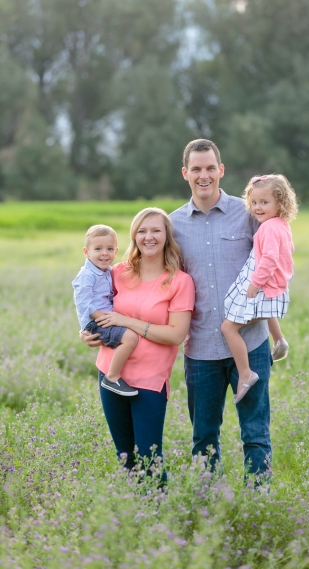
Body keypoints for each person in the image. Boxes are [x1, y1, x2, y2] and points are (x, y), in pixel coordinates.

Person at [169, 139, 273, 481]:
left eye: (210, 168)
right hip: (200, 349)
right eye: (196, 169)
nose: (204, 175)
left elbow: (275, 266)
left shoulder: (250, 214)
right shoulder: (172, 225)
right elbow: (157, 281)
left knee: (256, 434)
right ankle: (208, 501)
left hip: (251, 342)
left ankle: (259, 502)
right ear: (185, 173)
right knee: (203, 438)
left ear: (221, 170)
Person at [86, 208, 195, 482]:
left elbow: (176, 335)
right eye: (142, 231)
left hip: (149, 380)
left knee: (149, 457)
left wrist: (128, 322)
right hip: (111, 373)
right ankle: (136, 508)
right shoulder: (117, 272)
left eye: (156, 230)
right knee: (125, 456)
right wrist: (86, 334)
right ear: (134, 236)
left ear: (167, 235)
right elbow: (93, 305)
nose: (149, 237)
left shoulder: (180, 282)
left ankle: (157, 507)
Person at [221, 174, 297, 405]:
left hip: (263, 283)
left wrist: (255, 282)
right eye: (254, 202)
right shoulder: (282, 225)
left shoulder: (268, 228)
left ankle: (245, 373)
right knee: (263, 311)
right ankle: (279, 340)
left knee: (228, 327)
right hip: (274, 286)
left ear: (280, 203)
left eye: (264, 202)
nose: (257, 207)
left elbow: (270, 258)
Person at [73, 224, 139, 396]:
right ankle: (112, 376)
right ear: (86, 252)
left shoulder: (108, 271)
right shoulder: (87, 275)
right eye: (98, 249)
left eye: (109, 249)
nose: (104, 253)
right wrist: (104, 318)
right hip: (96, 321)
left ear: (116, 251)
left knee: (130, 333)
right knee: (130, 338)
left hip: (103, 318)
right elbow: (84, 304)